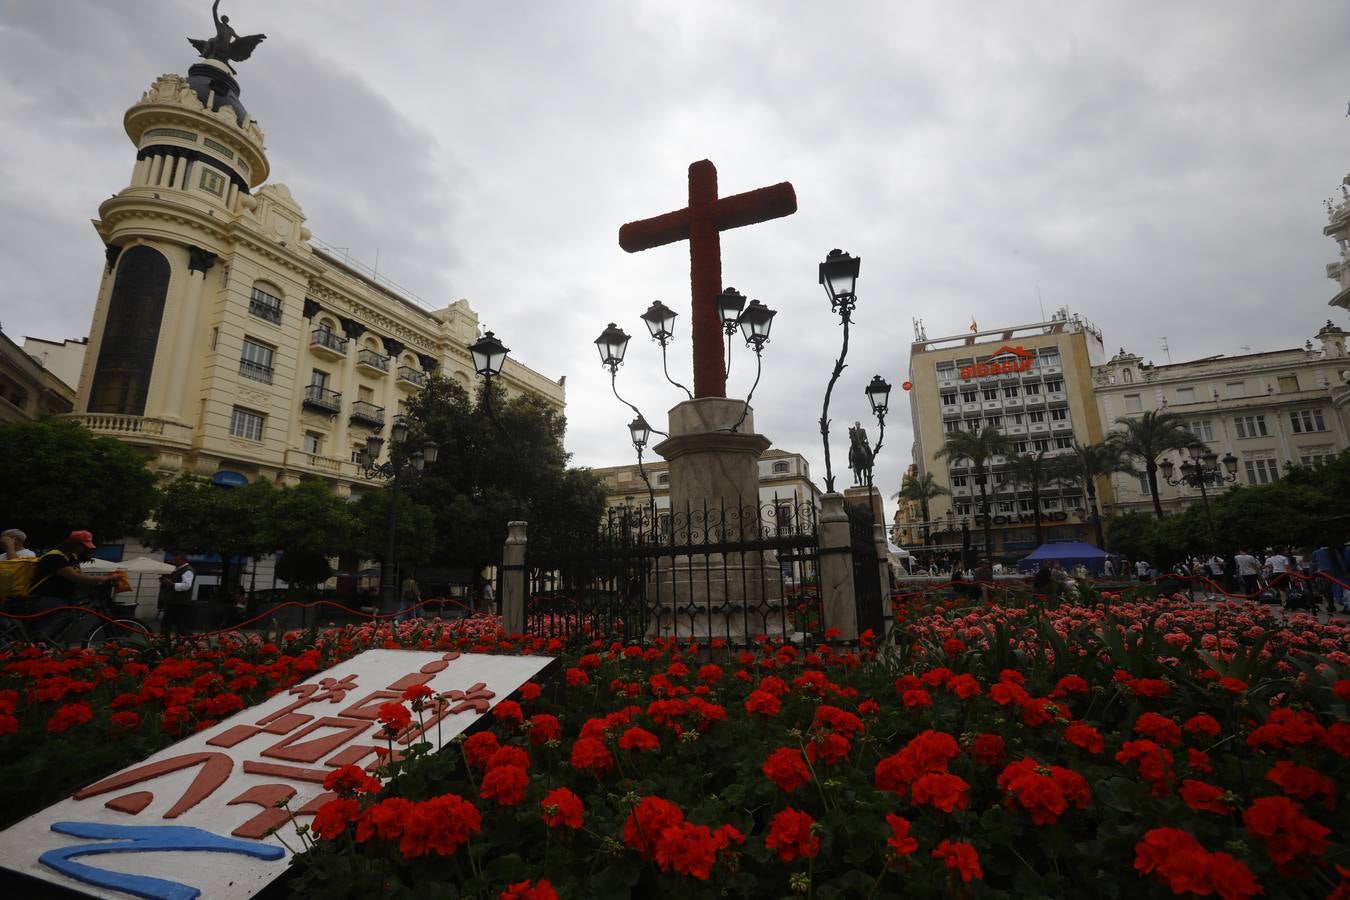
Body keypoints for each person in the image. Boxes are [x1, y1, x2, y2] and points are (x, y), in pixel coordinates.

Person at [21, 532, 118, 640]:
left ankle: (39, 648)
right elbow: (76, 577)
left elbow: (79, 576)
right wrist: (105, 579)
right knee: (44, 631)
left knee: (57, 625)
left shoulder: (70, 557)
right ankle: (34, 650)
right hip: (47, 598)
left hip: (59, 598)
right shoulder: (54, 557)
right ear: (73, 544)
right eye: (83, 546)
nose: (85, 550)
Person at [158, 553, 196, 637]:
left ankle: (189, 642)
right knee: (170, 624)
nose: (174, 561)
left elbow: (187, 586)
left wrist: (171, 584)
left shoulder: (188, 570)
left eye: (176, 560)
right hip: (173, 601)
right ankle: (164, 640)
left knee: (178, 625)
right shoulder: (177, 570)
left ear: (182, 560)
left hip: (180, 603)